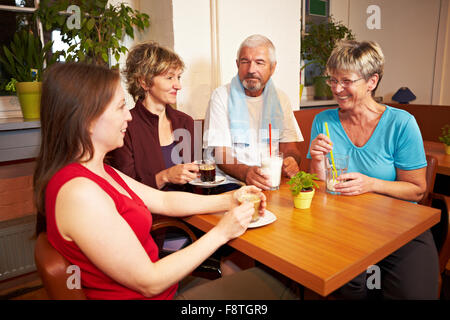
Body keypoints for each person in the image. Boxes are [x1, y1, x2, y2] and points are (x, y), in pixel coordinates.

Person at [34, 62, 299, 300]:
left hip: (166, 289)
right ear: (87, 120)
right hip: (158, 294)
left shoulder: (98, 171)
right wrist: (222, 231)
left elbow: (163, 199)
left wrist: (230, 199)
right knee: (282, 284)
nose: (128, 116)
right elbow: (149, 282)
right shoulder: (80, 193)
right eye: (119, 107)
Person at [307, 40, 439, 299]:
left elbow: (417, 191)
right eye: (332, 80)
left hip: (400, 231)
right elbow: (319, 189)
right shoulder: (323, 121)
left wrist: (371, 184)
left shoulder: (401, 124)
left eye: (346, 81)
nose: (337, 89)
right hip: (344, 231)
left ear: (372, 81)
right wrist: (315, 159)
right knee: (347, 287)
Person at [203, 34, 303, 192]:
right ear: (237, 64)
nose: (251, 70)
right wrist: (246, 173)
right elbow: (221, 154)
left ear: (273, 67)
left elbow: (289, 147)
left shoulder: (281, 99)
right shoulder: (221, 96)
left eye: (259, 62)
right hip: (231, 185)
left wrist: (290, 160)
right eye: (245, 62)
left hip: (273, 183)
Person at [108, 41, 198, 192]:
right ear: (144, 82)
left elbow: (197, 178)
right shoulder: (125, 127)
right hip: (150, 214)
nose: (178, 85)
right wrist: (164, 176)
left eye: (178, 77)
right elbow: (125, 189)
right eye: (169, 78)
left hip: (189, 209)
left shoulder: (186, 122)